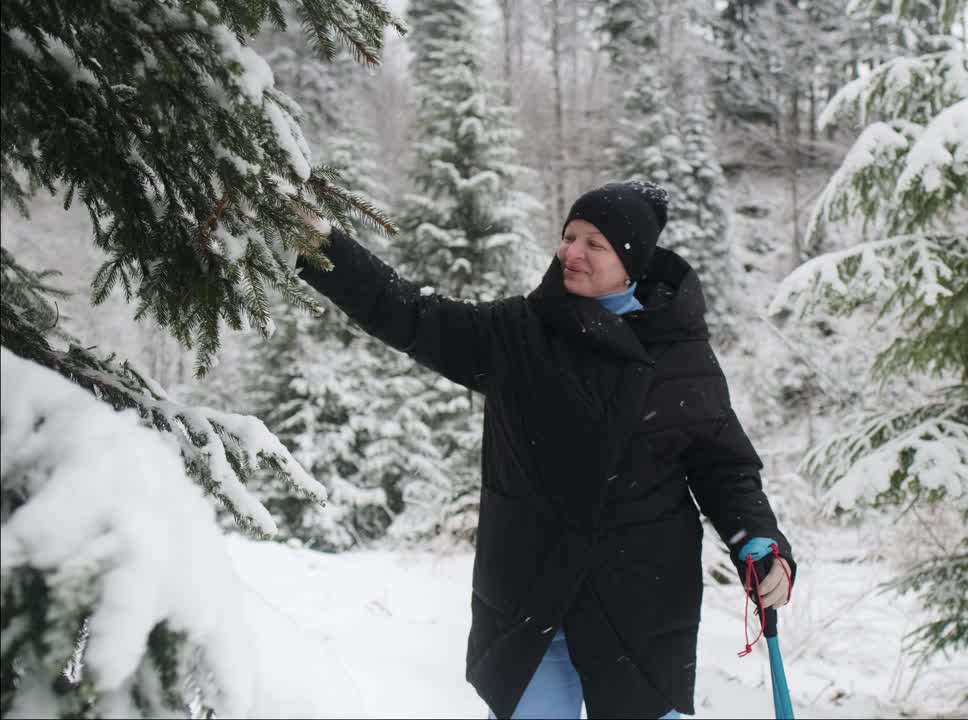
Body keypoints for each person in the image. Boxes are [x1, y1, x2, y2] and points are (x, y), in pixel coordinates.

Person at [293, 181, 796, 719]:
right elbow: (410, 313)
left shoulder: (680, 355)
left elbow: (724, 468)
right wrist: (322, 245)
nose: (570, 252)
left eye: (594, 244)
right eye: (568, 236)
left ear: (632, 261)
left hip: (638, 603)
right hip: (531, 597)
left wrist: (759, 540)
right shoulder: (516, 333)